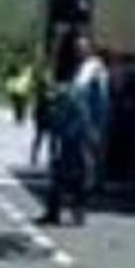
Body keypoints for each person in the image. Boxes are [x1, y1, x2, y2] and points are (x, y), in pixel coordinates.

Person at [38, 72, 97, 227]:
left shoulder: (69, 97)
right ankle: (59, 213)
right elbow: (51, 122)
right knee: (63, 177)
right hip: (69, 141)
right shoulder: (62, 98)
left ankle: (73, 212)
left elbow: (77, 121)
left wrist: (64, 139)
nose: (48, 96)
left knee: (73, 177)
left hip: (74, 143)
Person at [71, 35, 111, 191]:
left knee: (88, 149)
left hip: (93, 114)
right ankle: (96, 181)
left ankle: (89, 182)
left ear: (90, 49)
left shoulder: (91, 65)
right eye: (77, 48)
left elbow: (80, 88)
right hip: (98, 113)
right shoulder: (93, 65)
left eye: (81, 48)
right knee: (95, 149)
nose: (78, 51)